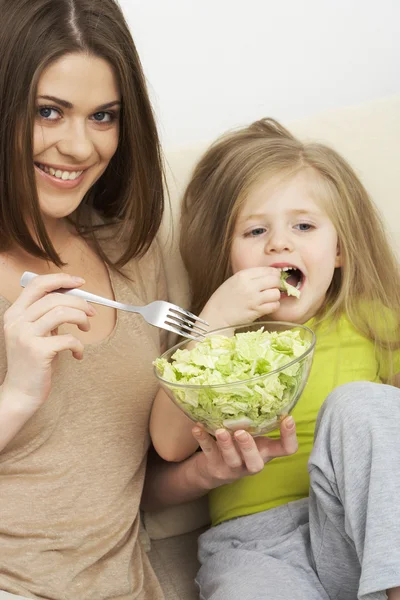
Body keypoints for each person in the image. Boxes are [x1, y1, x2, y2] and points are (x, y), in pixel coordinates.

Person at [149, 118, 400, 599]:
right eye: (255, 230)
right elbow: (167, 445)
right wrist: (214, 322)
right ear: (227, 258)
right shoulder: (212, 346)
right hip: (255, 547)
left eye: (303, 226)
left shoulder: (372, 321)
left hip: (359, 534)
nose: (279, 244)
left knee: (362, 405)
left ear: (340, 248)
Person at [0, 0, 173, 598]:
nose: (79, 147)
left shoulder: (134, 254)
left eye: (103, 117)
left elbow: (132, 477)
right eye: (48, 112)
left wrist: (209, 468)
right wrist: (16, 392)